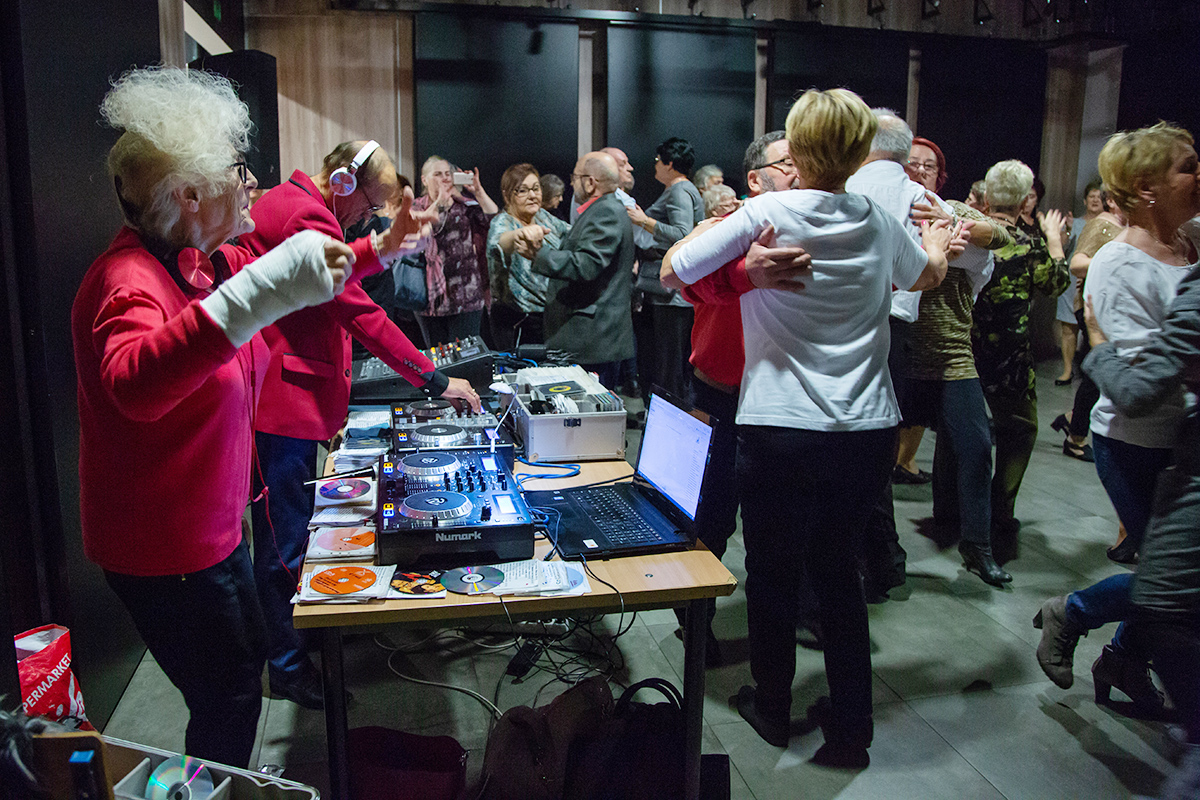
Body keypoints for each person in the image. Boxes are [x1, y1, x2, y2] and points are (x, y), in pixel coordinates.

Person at [663, 88, 952, 766]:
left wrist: (743, 272)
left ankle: (772, 706)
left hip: (781, 429)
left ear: (796, 148)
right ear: (861, 152)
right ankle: (852, 729)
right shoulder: (878, 220)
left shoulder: (767, 212)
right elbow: (926, 276)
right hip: (866, 429)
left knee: (771, 570)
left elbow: (676, 268)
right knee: (839, 571)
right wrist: (937, 242)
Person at [73, 66, 353, 767]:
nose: (250, 181)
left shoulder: (187, 264)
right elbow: (135, 383)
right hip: (168, 549)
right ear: (190, 195)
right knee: (229, 695)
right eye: (237, 169)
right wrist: (256, 295)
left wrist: (379, 249)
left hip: (209, 531)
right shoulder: (126, 280)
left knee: (241, 672)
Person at [239, 141, 481, 709]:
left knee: (289, 535)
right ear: (343, 183)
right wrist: (434, 379)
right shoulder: (304, 215)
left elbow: (340, 276)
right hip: (281, 406)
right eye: (369, 206)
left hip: (291, 400)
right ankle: (288, 666)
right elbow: (357, 310)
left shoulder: (298, 205)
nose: (365, 219)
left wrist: (385, 244)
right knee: (281, 544)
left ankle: (296, 640)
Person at [1033, 124, 1200, 717]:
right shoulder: (1121, 262)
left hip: (1181, 439)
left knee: (1171, 575)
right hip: (1138, 441)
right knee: (1169, 577)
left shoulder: (1189, 243)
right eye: (1187, 166)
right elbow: (1134, 384)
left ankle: (1125, 657)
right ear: (1147, 188)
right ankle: (1073, 613)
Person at [1080, 269, 1200, 800]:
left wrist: (1099, 340)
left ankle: (1074, 615)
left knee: (1161, 596)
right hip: (1143, 442)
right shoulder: (1124, 259)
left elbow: (1136, 389)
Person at [906, 136, 1017, 586]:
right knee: (872, 460)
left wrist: (951, 221)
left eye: (928, 166)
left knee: (975, 447)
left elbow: (1003, 235)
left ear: (940, 176)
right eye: (911, 163)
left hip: (953, 355)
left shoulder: (953, 209)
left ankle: (978, 544)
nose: (919, 170)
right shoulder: (885, 208)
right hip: (897, 356)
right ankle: (873, 551)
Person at [973, 160, 1069, 556]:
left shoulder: (971, 234)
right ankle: (1000, 511)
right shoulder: (1029, 244)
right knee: (1020, 430)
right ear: (1024, 199)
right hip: (1009, 355)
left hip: (966, 347)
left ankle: (951, 508)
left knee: (959, 432)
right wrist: (1055, 242)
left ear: (988, 197)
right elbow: (1056, 283)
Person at [527, 152, 635, 387]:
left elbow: (586, 265)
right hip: (592, 338)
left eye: (575, 177)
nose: (572, 183)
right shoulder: (604, 209)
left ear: (590, 182)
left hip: (592, 340)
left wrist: (539, 254)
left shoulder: (606, 211)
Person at [1052, 187, 1126, 463]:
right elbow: (1077, 264)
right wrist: (1119, 261)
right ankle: (1076, 438)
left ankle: (1073, 419)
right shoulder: (1102, 224)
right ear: (1112, 200)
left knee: (1100, 375)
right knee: (1096, 376)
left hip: (1111, 308)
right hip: (1094, 307)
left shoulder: (1124, 225)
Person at [628, 137, 704, 401]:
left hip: (673, 296)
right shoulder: (683, 189)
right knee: (670, 365)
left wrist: (644, 221)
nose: (656, 166)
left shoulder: (679, 190)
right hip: (675, 294)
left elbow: (683, 233)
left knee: (668, 367)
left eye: (658, 160)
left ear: (669, 163)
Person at [412, 156, 499, 347]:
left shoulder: (465, 205)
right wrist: (439, 204)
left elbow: (493, 220)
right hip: (431, 299)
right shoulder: (417, 206)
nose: (445, 178)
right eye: (438, 174)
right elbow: (417, 235)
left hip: (467, 296)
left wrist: (478, 191)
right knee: (437, 357)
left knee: (465, 356)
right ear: (424, 180)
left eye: (448, 174)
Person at [486, 163, 571, 350]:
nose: (532, 195)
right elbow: (499, 242)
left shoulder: (543, 216)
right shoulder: (502, 222)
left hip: (550, 317)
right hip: (519, 322)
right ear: (507, 195)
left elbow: (572, 234)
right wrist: (519, 235)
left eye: (536, 188)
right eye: (522, 191)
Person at [1055, 179, 1105, 385]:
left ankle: (1092, 373)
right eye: (1091, 196)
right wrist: (1066, 231)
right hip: (1072, 281)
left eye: (1098, 197)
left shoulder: (1109, 224)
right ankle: (1067, 370)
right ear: (1084, 201)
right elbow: (1061, 250)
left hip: (1096, 282)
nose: (1095, 200)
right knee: (1069, 327)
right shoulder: (1074, 222)